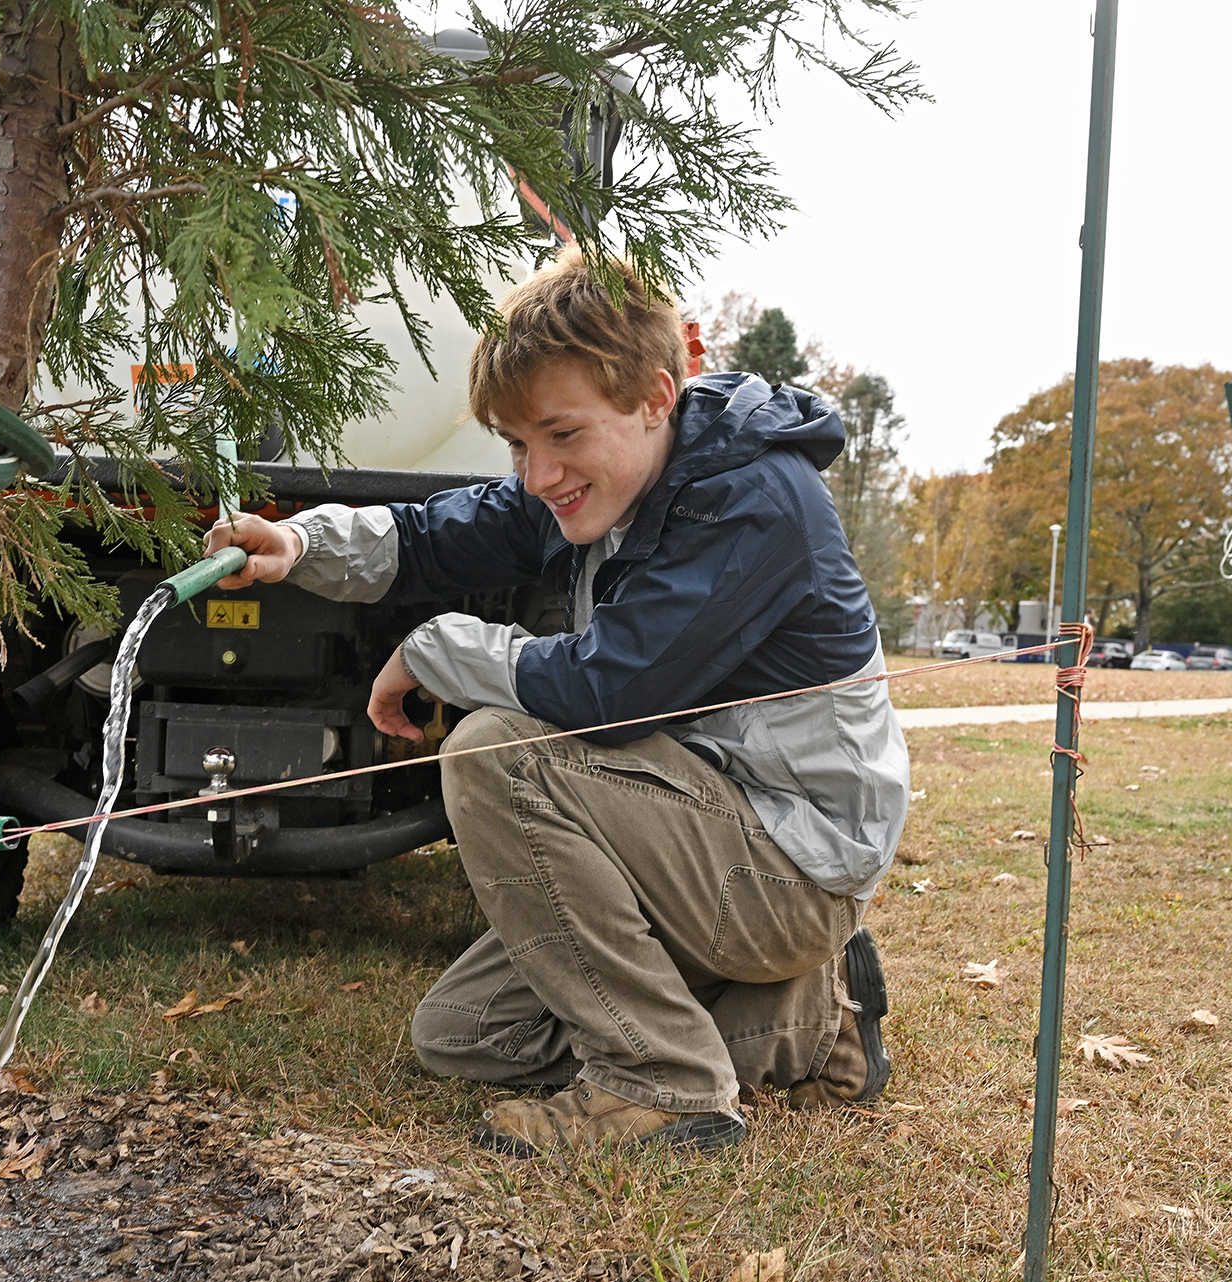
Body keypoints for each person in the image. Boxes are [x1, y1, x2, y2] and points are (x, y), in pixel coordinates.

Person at [203, 248, 908, 1158]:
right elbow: (437, 535)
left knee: (496, 748)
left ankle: (661, 1085)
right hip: (697, 835)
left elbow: (604, 691)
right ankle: (811, 1019)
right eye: (518, 444)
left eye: (561, 436)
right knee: (464, 1033)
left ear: (656, 395)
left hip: (792, 866)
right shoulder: (618, 476)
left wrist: (434, 647)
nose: (538, 475)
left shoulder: (752, 502)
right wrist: (298, 543)